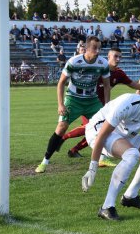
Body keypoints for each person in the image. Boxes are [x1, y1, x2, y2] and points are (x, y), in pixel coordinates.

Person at [81, 79, 140, 221]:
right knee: (131, 154)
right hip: (97, 132)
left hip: (123, 134)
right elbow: (102, 135)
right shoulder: (128, 103)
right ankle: (107, 207)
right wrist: (93, 167)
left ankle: (130, 196)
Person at [35, 36, 111, 173]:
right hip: (73, 99)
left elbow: (106, 86)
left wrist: (107, 105)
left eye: (99, 48)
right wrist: (60, 104)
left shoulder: (103, 63)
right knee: (61, 127)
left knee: (106, 125)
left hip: (92, 100)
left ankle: (103, 158)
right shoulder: (74, 61)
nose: (98, 51)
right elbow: (61, 83)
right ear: (86, 48)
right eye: (95, 48)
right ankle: (44, 162)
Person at [65, 47, 140, 162]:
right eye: (115, 56)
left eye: (120, 57)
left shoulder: (118, 73)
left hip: (103, 107)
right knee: (93, 129)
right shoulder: (98, 69)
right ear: (108, 57)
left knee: (98, 131)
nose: (118, 59)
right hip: (88, 104)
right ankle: (64, 138)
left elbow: (133, 84)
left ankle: (74, 150)